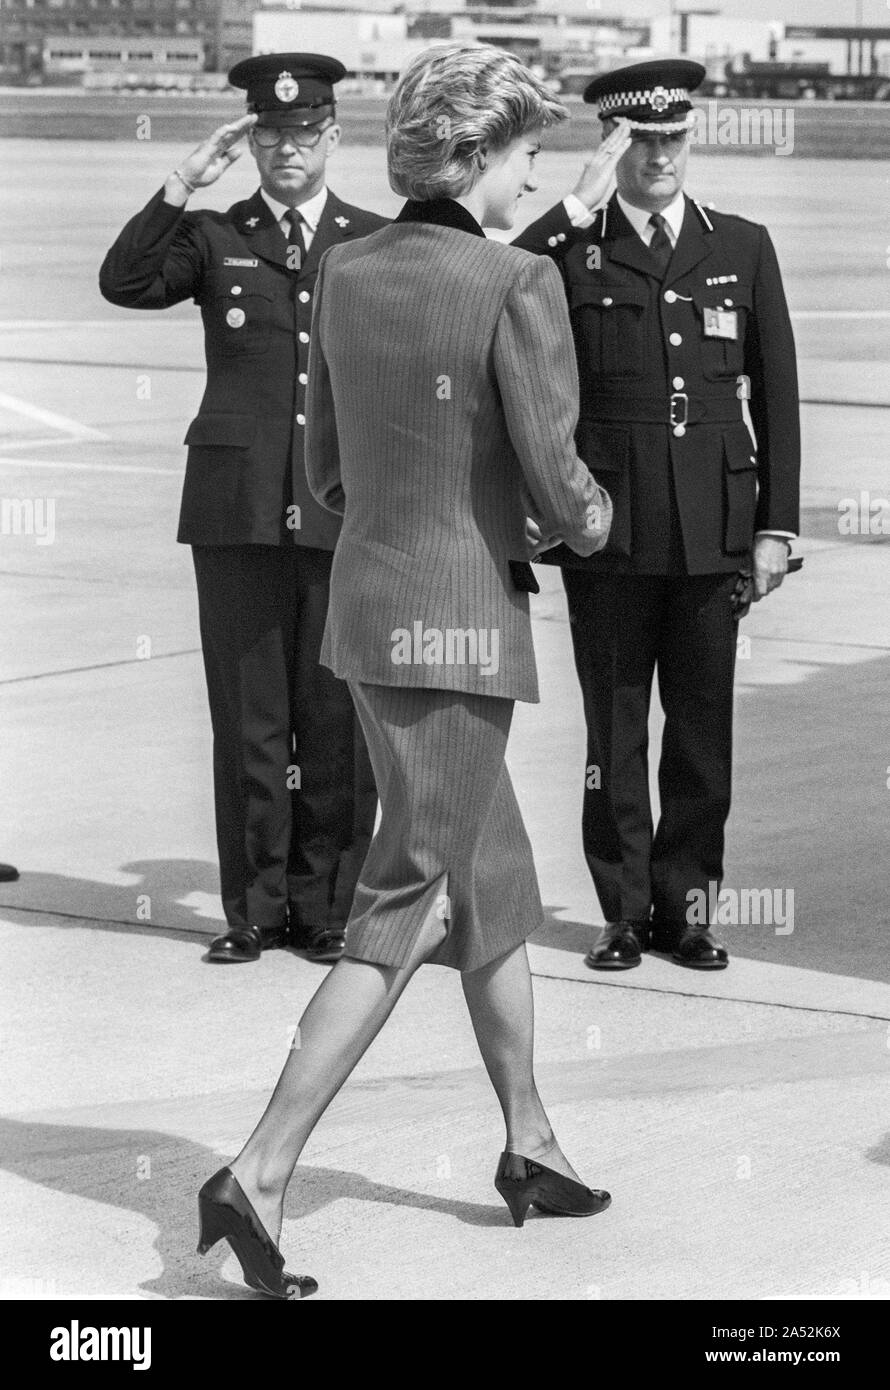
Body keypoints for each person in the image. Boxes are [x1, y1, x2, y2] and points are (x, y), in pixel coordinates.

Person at [195, 42, 613, 1300]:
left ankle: (528, 1139)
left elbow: (322, 469)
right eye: (527, 150)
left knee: (492, 884)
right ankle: (256, 1174)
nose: (534, 171)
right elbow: (554, 475)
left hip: (372, 612)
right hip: (458, 628)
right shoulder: (514, 279)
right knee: (409, 899)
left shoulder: (346, 263)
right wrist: (592, 525)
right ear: (478, 156)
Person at [99, 54, 387, 965]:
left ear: (334, 136)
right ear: (249, 140)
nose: (287, 149)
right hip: (235, 515)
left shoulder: (370, 240)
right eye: (269, 134)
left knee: (335, 723)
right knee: (249, 722)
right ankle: (254, 912)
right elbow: (124, 279)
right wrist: (183, 180)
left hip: (340, 514)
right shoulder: (216, 235)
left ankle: (328, 908)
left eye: (304, 134)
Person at [514, 59, 800, 972]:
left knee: (704, 728)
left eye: (673, 138)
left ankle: (690, 911)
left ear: (692, 138)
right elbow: (497, 279)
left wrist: (776, 527)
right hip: (608, 529)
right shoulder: (571, 249)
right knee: (615, 730)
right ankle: (623, 912)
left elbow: (780, 397)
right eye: (640, 142)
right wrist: (572, 204)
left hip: (715, 525)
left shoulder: (740, 246)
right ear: (614, 146)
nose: (660, 156)